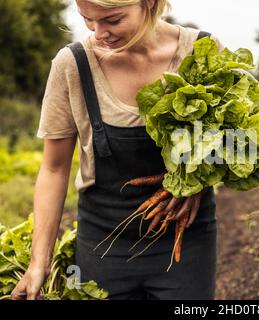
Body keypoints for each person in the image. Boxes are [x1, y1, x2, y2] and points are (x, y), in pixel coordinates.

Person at [11, 0, 224, 300]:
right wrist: (38, 262)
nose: (100, 33)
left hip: (185, 243)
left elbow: (237, 142)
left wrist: (195, 181)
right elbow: (54, 167)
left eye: (113, 20)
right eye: (88, 20)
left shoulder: (202, 52)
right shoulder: (73, 64)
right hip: (102, 245)